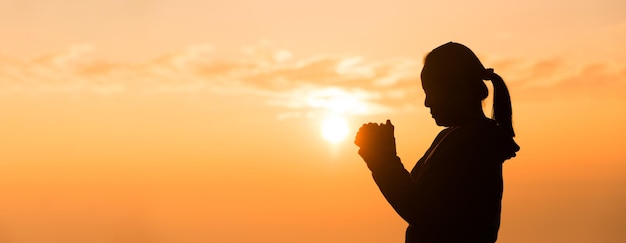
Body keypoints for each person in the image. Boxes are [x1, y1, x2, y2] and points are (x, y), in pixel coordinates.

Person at [354, 42, 520, 243]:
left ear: (458, 90)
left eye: (431, 93)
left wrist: (382, 158)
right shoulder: (458, 138)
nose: (427, 103)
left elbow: (419, 209)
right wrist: (382, 154)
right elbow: (416, 193)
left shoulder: (471, 143)